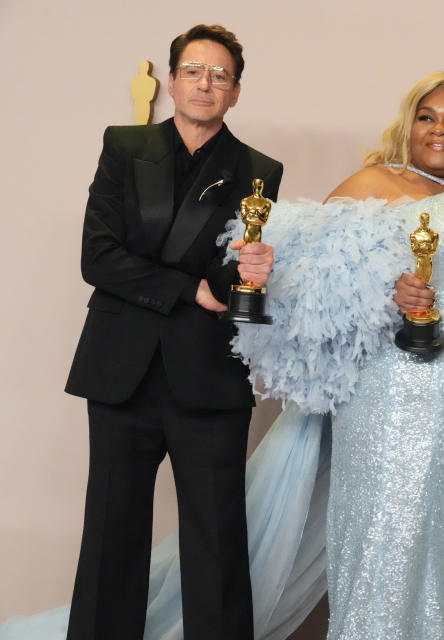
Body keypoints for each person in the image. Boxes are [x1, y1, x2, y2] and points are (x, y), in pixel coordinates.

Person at [224, 70, 444, 640]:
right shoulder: (373, 182)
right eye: (425, 116)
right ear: (408, 125)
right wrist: (384, 292)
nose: (437, 129)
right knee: (386, 538)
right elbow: (310, 291)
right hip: (394, 396)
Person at [1, 24, 283, 640]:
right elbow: (97, 258)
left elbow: (232, 271)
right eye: (193, 71)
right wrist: (190, 288)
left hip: (208, 374)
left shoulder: (260, 170)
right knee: (111, 535)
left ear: (236, 92)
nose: (206, 84)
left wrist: (252, 270)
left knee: (217, 540)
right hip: (121, 368)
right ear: (172, 78)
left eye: (220, 76)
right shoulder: (125, 147)